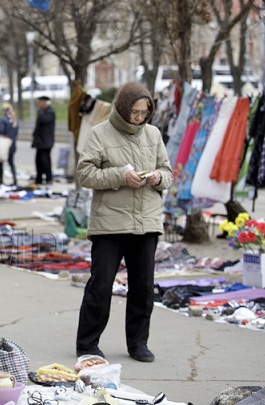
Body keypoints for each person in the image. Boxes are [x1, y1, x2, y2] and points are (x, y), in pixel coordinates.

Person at [75, 82, 173, 362]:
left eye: (144, 113)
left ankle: (138, 343)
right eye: (134, 112)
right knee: (101, 285)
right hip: (110, 223)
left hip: (146, 222)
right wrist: (120, 176)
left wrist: (157, 177)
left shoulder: (153, 134)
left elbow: (167, 172)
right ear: (121, 108)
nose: (139, 118)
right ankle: (87, 344)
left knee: (143, 286)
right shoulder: (99, 133)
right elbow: (84, 174)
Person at [32, 96, 56, 184]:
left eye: (40, 102)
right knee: (38, 161)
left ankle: (49, 178)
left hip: (46, 141)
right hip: (40, 141)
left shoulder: (50, 112)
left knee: (45, 161)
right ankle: (39, 178)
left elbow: (43, 120)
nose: (38, 104)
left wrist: (40, 111)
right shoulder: (43, 112)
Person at [0, 103, 19, 185]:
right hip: (12, 144)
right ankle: (14, 180)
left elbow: (1, 131)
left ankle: (1, 180)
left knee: (0, 162)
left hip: (4, 144)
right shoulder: (14, 119)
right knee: (11, 162)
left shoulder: (3, 119)